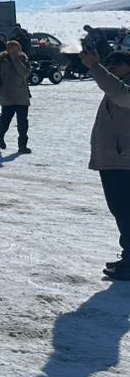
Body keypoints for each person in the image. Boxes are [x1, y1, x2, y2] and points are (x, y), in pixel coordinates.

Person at [79, 49, 130, 280]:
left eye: (116, 64)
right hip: (115, 160)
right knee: (121, 211)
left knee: (125, 211)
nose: (111, 68)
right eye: (109, 64)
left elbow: (119, 94)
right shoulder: (118, 84)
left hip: (124, 161)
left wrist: (96, 67)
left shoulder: (122, 88)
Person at [0, 40, 32, 153]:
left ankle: (22, 145)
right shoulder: (2, 62)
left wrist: (16, 60)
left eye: (17, 49)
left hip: (21, 96)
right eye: (12, 49)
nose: (15, 51)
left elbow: (25, 74)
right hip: (8, 96)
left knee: (23, 123)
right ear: (8, 49)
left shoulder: (23, 60)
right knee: (5, 121)